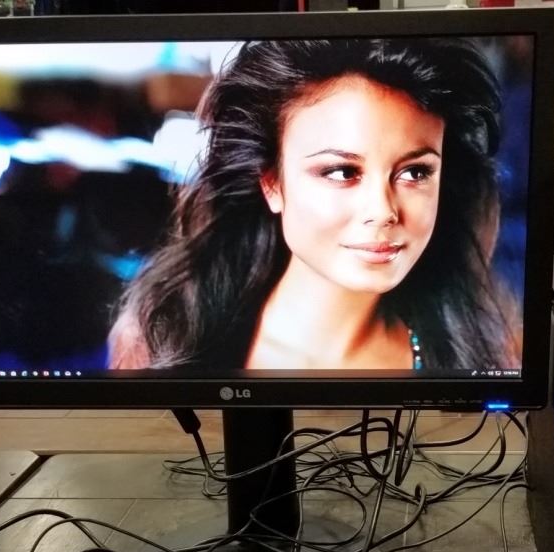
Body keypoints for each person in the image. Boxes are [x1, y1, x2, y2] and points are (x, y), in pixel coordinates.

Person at [109, 38, 521, 371]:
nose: (383, 211)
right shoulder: (165, 337)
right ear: (272, 183)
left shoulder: (482, 351)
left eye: (415, 172)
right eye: (342, 172)